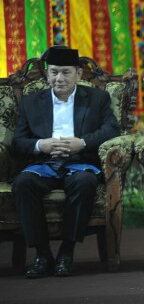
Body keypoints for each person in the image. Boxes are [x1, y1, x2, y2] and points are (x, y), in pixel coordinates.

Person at [12, 46, 120, 278]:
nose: (59, 79)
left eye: (65, 72)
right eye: (54, 72)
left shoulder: (97, 98)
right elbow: (18, 141)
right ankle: (42, 254)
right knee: (23, 184)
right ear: (47, 74)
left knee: (85, 182)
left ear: (78, 74)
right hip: (44, 162)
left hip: (79, 161)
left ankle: (66, 252)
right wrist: (42, 144)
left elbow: (112, 129)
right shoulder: (30, 102)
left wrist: (81, 142)